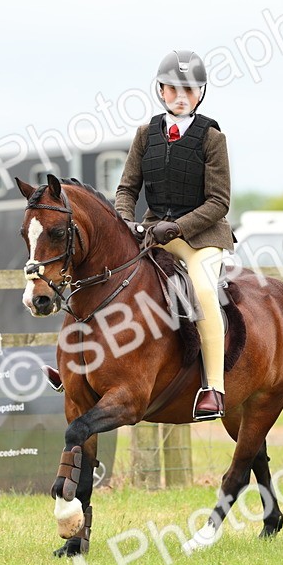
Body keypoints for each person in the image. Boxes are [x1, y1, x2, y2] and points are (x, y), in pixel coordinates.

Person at [112, 50, 235, 420]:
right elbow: (126, 189)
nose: (181, 96)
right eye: (174, 89)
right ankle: (82, 366)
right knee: (108, 277)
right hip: (153, 234)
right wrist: (125, 220)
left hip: (202, 238)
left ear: (200, 94)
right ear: (161, 91)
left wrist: (178, 227)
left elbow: (219, 201)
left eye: (190, 90)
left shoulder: (212, 138)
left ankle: (214, 387)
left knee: (201, 290)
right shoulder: (145, 135)